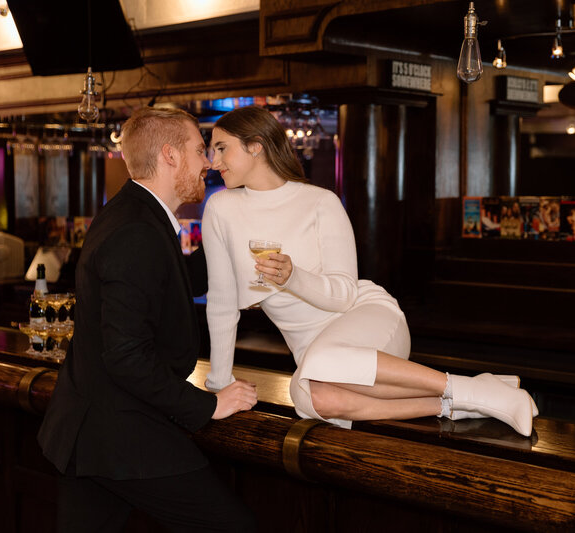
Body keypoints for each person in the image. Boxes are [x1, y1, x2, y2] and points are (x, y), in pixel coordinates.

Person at [203, 105, 538, 437]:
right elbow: (220, 302)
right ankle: (461, 401)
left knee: (322, 364)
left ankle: (471, 389)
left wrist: (294, 277)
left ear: (256, 145)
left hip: (366, 318)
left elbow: (344, 295)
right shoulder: (220, 208)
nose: (214, 162)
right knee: (311, 398)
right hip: (314, 355)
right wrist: (220, 385)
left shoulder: (321, 202)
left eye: (221, 148)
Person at [37, 107, 258, 532]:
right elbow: (126, 357)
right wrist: (209, 404)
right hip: (118, 433)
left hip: (94, 430)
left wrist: (240, 253)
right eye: (199, 150)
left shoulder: (135, 213)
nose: (208, 163)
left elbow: (168, 282)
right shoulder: (137, 229)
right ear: (170, 156)